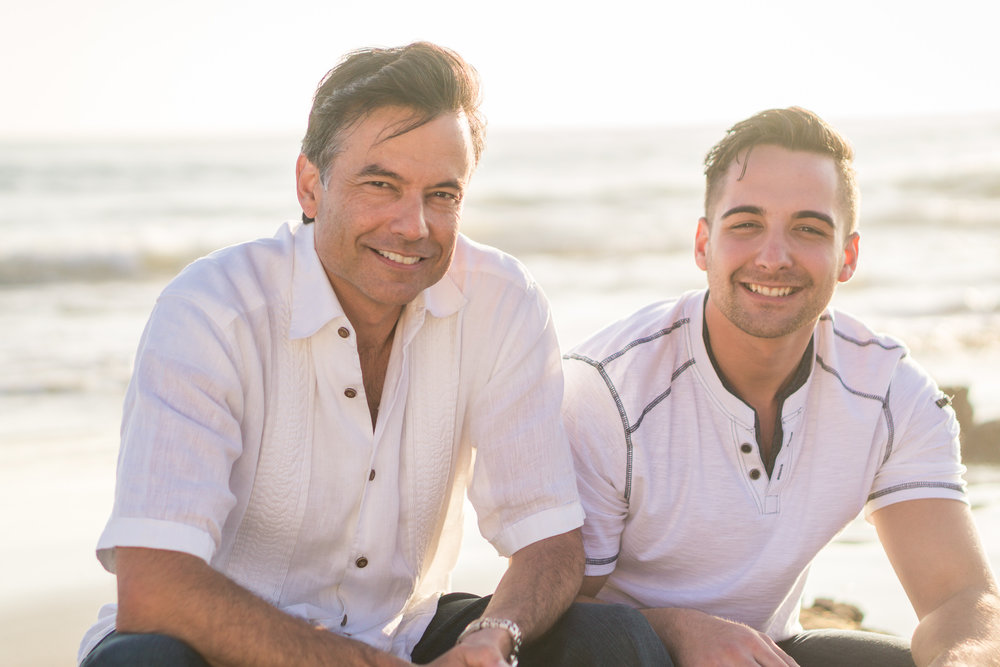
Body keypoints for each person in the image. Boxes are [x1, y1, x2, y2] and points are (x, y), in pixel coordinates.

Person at [78, 42, 667, 667]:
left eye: (443, 194)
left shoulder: (501, 301)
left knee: (613, 644)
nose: (413, 225)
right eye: (380, 184)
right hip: (216, 645)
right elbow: (154, 585)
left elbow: (549, 540)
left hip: (401, 636)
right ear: (311, 186)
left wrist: (495, 638)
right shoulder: (212, 311)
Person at [562, 107, 1000, 666]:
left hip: (770, 651)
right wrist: (681, 632)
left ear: (848, 256)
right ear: (703, 245)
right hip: (631, 650)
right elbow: (552, 613)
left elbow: (960, 598)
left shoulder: (889, 392)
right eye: (746, 224)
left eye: (808, 229)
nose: (774, 257)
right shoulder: (609, 389)